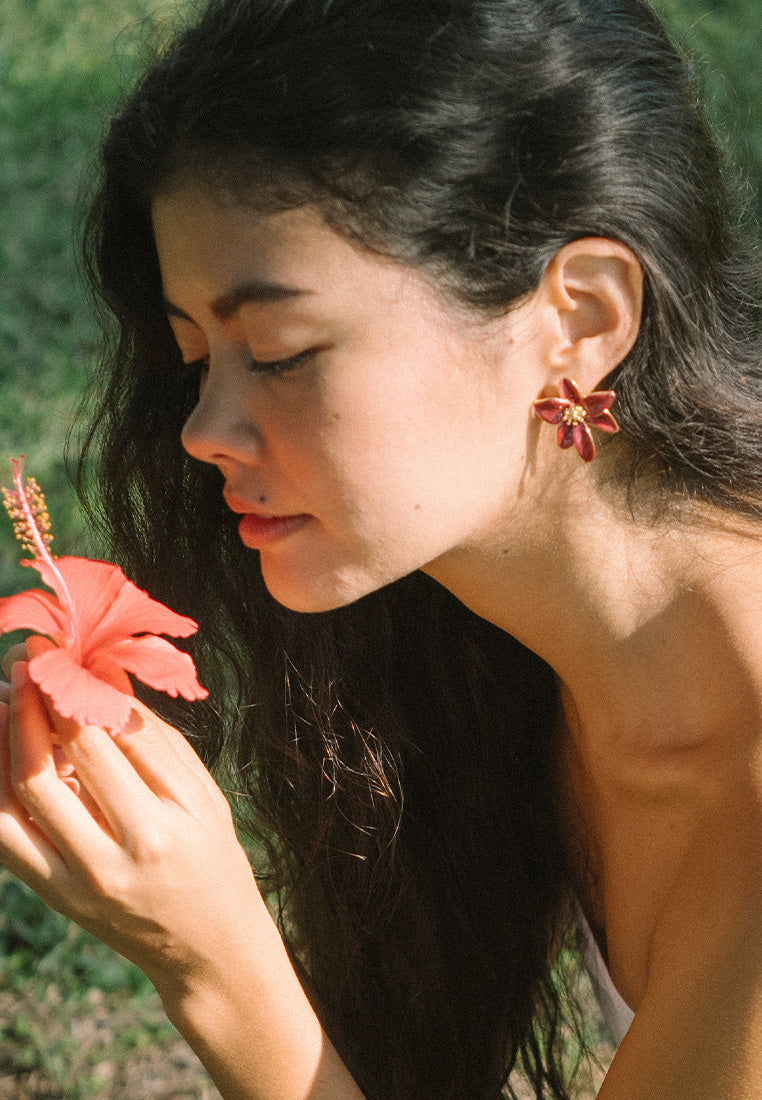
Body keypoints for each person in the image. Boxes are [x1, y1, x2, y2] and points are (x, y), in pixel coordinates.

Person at [1, 0, 761, 1095]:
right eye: (193, 355)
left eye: (280, 351)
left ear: (581, 319)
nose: (203, 430)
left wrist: (214, 965)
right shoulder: (506, 641)